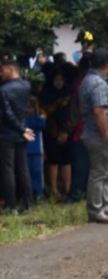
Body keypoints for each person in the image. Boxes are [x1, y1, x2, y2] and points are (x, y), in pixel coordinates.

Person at [78, 50, 108, 223]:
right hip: (99, 135)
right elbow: (99, 111)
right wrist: (105, 134)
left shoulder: (92, 80)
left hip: (101, 134)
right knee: (99, 173)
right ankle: (96, 209)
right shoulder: (97, 83)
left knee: (104, 173)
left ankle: (106, 207)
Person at [0, 60, 35, 213]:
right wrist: (23, 130)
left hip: (8, 132)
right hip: (22, 131)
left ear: (10, 69)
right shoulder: (26, 86)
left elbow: (7, 113)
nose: (1, 74)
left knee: (8, 169)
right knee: (22, 168)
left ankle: (12, 205)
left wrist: (20, 129)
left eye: (2, 70)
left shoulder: (4, 90)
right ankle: (28, 202)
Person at [39, 68, 74, 201]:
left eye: (61, 80)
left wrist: (66, 131)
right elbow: (47, 111)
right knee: (53, 161)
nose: (59, 83)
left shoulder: (68, 93)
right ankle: (54, 189)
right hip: (52, 130)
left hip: (66, 129)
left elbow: (71, 113)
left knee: (66, 161)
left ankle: (67, 188)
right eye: (56, 80)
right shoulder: (47, 93)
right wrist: (56, 103)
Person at [25, 96, 45, 200]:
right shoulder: (22, 119)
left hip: (37, 150)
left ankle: (39, 193)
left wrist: (37, 113)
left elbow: (42, 126)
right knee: (26, 173)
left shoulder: (39, 118)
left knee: (37, 172)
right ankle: (27, 194)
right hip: (25, 150)